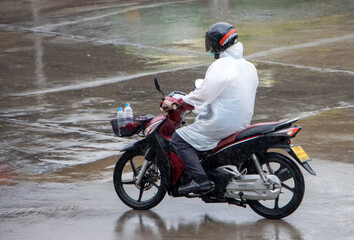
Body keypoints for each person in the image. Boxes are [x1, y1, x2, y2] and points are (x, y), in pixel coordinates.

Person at [162, 22, 259, 194]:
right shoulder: (248, 66)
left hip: (222, 122)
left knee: (179, 138)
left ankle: (201, 181)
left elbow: (203, 94)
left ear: (218, 43)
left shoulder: (221, 66)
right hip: (241, 121)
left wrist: (178, 102)